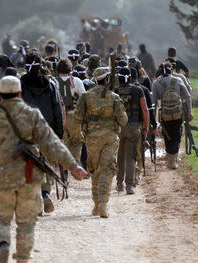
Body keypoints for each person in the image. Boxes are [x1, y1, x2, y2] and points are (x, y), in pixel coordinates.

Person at [0, 75, 87, 263]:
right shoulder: (31, 114)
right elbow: (52, 144)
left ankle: (3, 243)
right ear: (20, 93)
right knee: (27, 222)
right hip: (28, 176)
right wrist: (73, 166)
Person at [74, 67, 128, 218]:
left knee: (94, 169)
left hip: (92, 138)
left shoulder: (85, 96)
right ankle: (103, 203)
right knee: (108, 168)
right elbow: (123, 120)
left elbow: (77, 117)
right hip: (110, 137)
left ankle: (97, 204)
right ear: (107, 80)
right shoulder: (114, 97)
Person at [21, 52, 64, 214]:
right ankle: (45, 192)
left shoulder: (20, 84)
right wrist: (59, 133)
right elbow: (57, 109)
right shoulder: (50, 84)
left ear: (25, 66)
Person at [114, 67, 149, 195]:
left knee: (120, 156)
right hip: (134, 127)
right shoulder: (138, 90)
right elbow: (145, 110)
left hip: (119, 128)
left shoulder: (115, 91)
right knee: (131, 157)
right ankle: (129, 186)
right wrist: (146, 127)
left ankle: (119, 184)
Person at [152, 62, 192, 169]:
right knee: (177, 134)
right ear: (171, 70)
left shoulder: (156, 84)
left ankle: (170, 158)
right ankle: (173, 160)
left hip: (165, 114)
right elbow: (188, 96)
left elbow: (154, 104)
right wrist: (189, 112)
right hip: (178, 113)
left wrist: (154, 120)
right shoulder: (178, 80)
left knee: (167, 135)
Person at [56, 59, 86, 163]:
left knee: (63, 142)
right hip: (74, 115)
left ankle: (64, 168)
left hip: (59, 116)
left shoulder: (54, 81)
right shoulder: (76, 81)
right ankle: (76, 165)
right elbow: (83, 98)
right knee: (77, 142)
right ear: (70, 68)